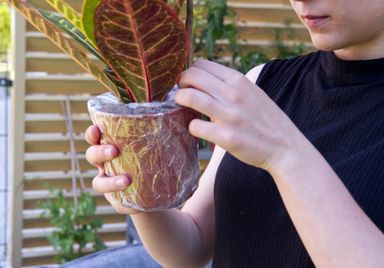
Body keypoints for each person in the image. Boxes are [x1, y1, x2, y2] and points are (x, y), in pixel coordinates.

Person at [85, 0, 384, 267]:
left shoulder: (260, 108)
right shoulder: (263, 84)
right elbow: (190, 248)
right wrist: (135, 184)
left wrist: (285, 153)